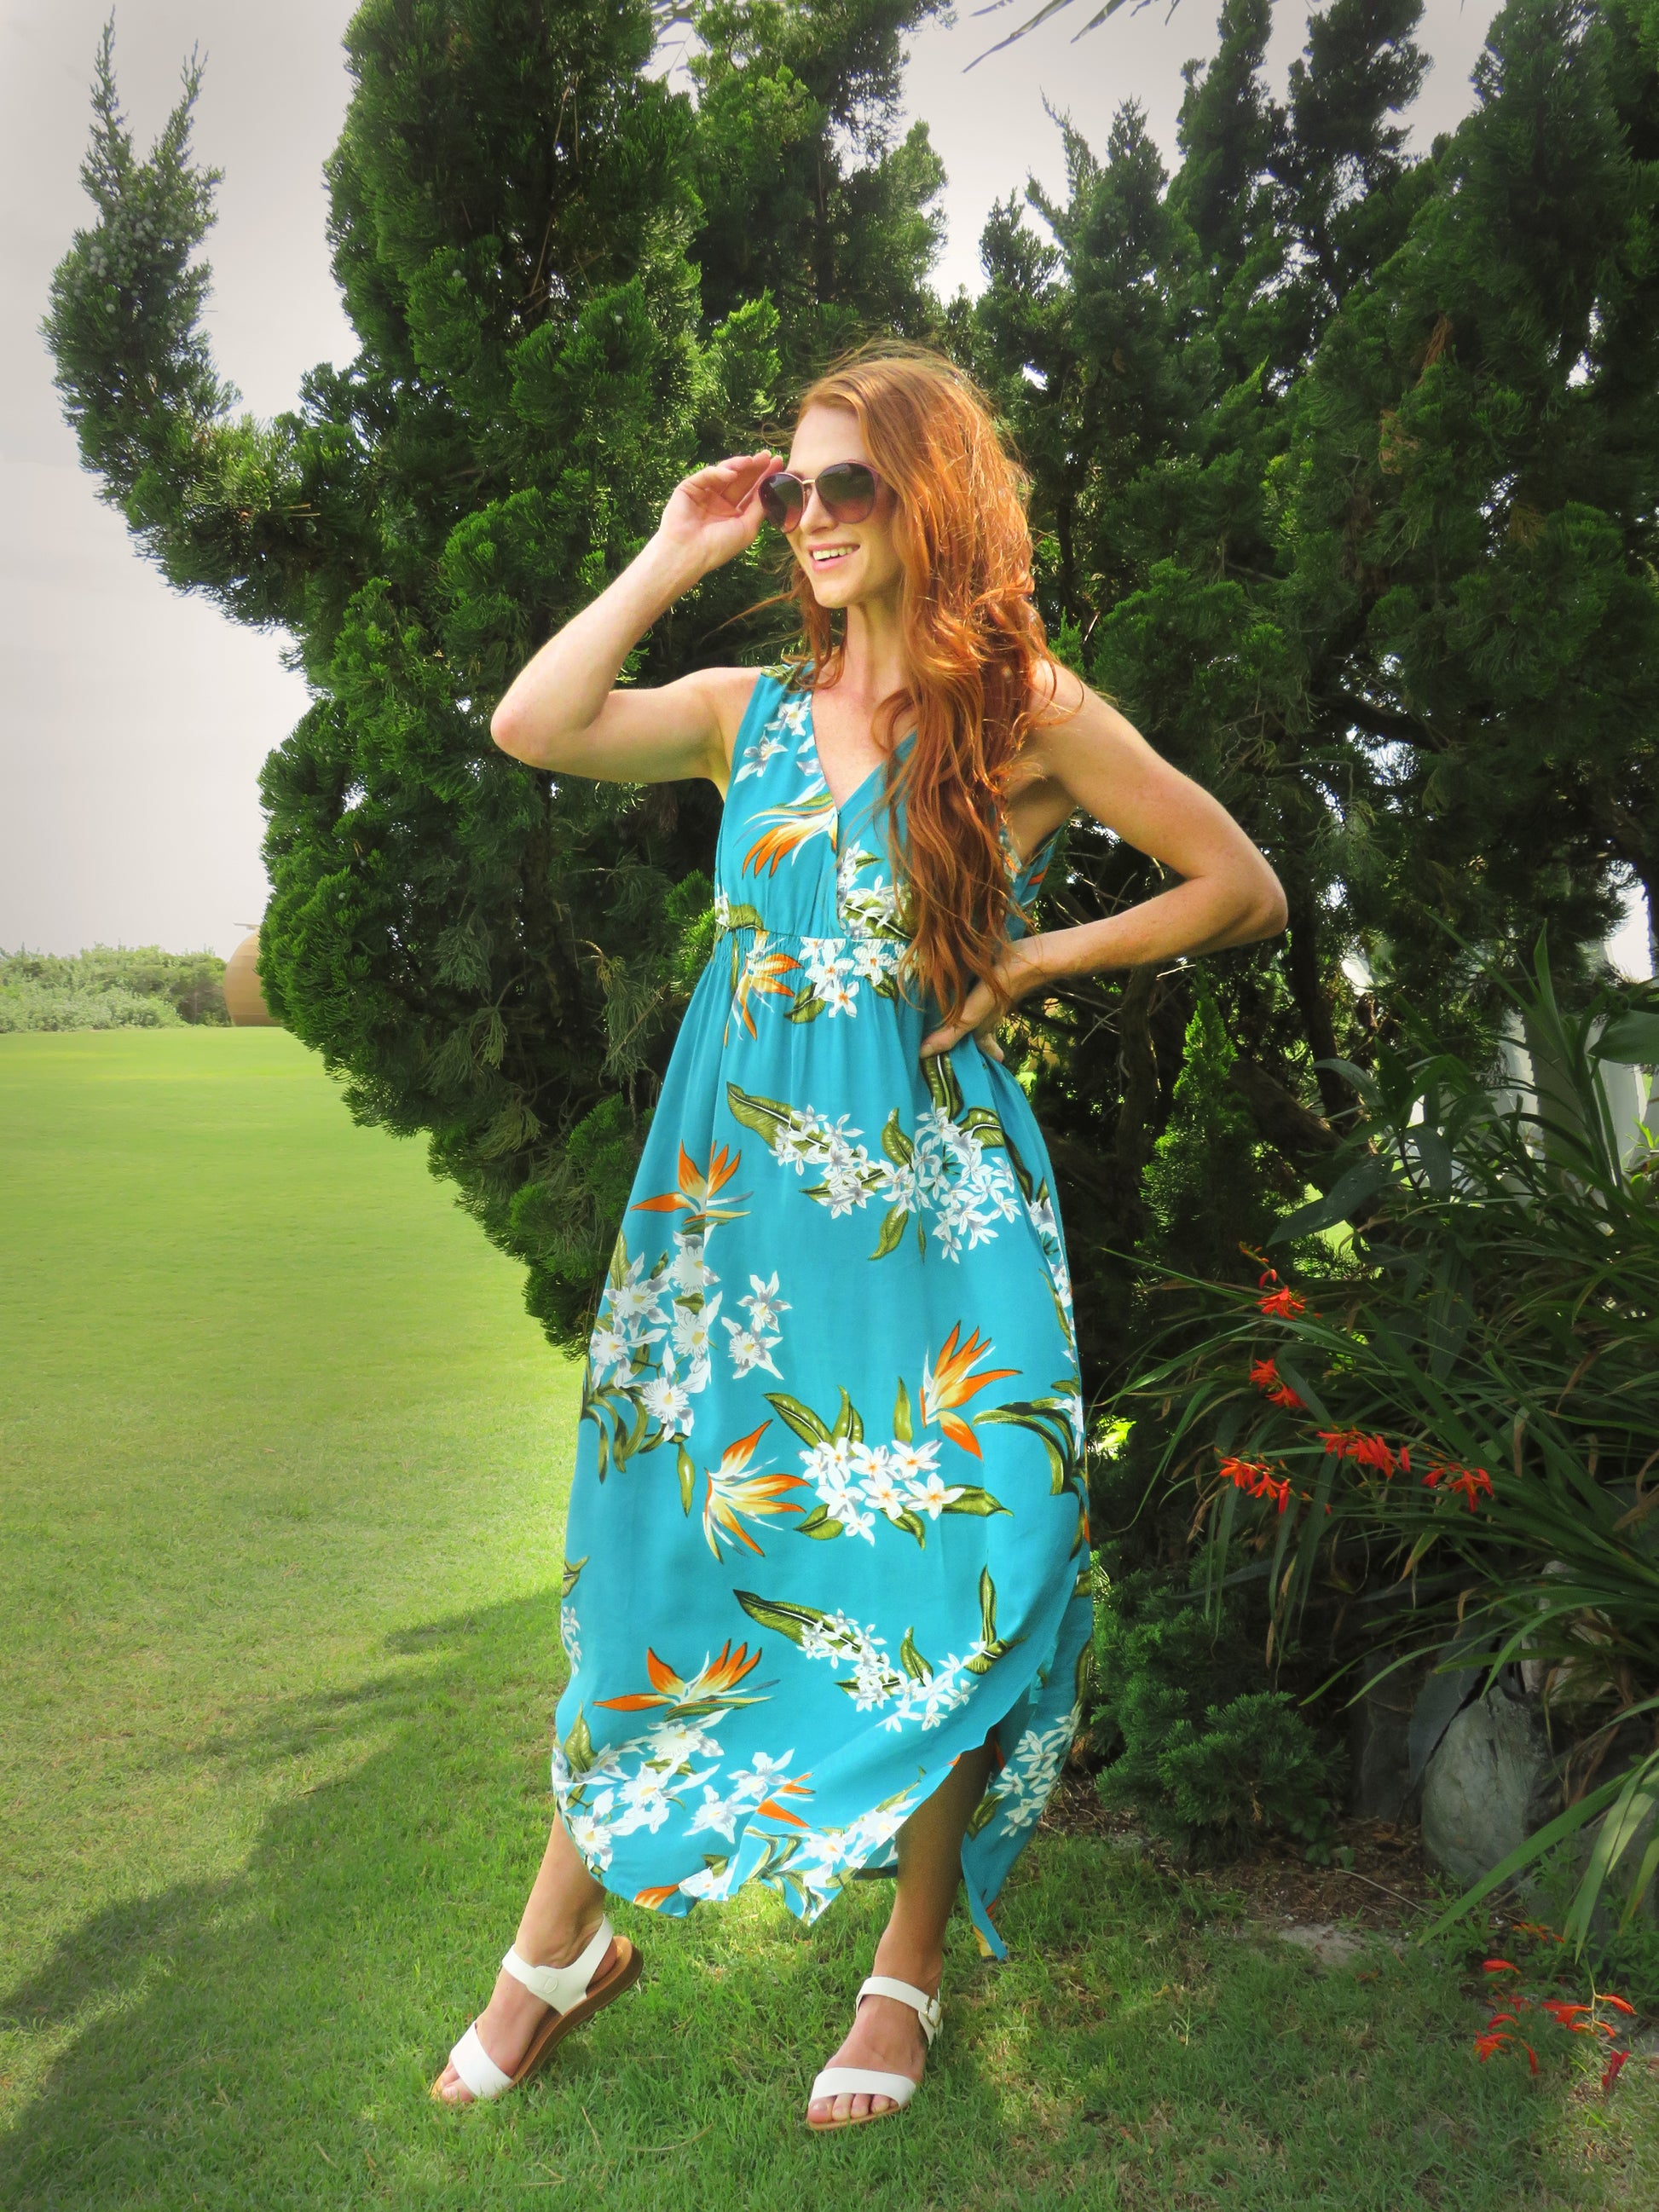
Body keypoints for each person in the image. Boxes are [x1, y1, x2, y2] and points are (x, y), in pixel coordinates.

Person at [432, 344, 1286, 2127]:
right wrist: (676, 549)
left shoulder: (1023, 713)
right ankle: (555, 1950)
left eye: (847, 486)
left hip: (935, 1213)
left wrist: (1033, 961)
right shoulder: (740, 710)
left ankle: (902, 1971)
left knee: (950, 1558)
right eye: (791, 491)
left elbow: (1239, 886)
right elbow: (532, 725)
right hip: (729, 1223)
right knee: (679, 1545)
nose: (810, 517)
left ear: (931, 497)